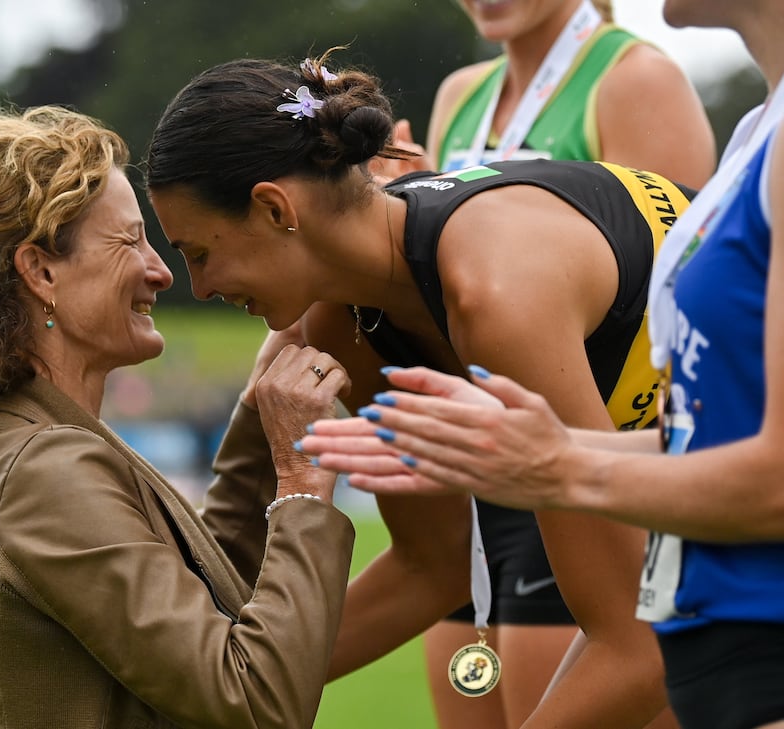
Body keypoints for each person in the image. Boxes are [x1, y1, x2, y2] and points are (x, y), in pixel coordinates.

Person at [145, 50, 698, 728]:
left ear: (274, 207)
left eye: (199, 252)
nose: (199, 288)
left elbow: (640, 646)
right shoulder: (343, 318)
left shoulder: (495, 291)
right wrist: (209, 689)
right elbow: (431, 564)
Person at [299, 1, 784, 727]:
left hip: (601, 479)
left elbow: (680, 336)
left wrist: (569, 462)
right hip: (513, 462)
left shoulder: (635, 79)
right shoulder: (465, 91)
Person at [0, 104, 357, 729]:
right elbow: (254, 701)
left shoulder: (43, 442)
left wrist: (264, 400)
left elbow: (214, 587)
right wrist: (301, 482)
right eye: (131, 239)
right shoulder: (43, 471)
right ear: (41, 270)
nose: (161, 271)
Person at [378, 0, 715, 725]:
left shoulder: (634, 79)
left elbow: (682, 306)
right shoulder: (460, 93)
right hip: (481, 477)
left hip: (587, 475)